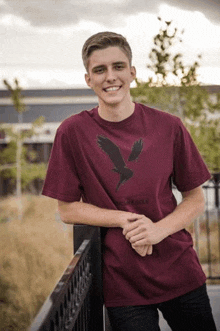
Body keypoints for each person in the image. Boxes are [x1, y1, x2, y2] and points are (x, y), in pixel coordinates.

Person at [42, 31, 217, 331]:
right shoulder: (72, 132)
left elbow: (195, 199)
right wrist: (126, 219)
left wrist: (157, 231)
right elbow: (67, 209)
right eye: (100, 70)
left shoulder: (169, 126)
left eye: (118, 67)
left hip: (179, 268)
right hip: (123, 282)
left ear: (132, 73)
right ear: (88, 79)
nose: (110, 77)